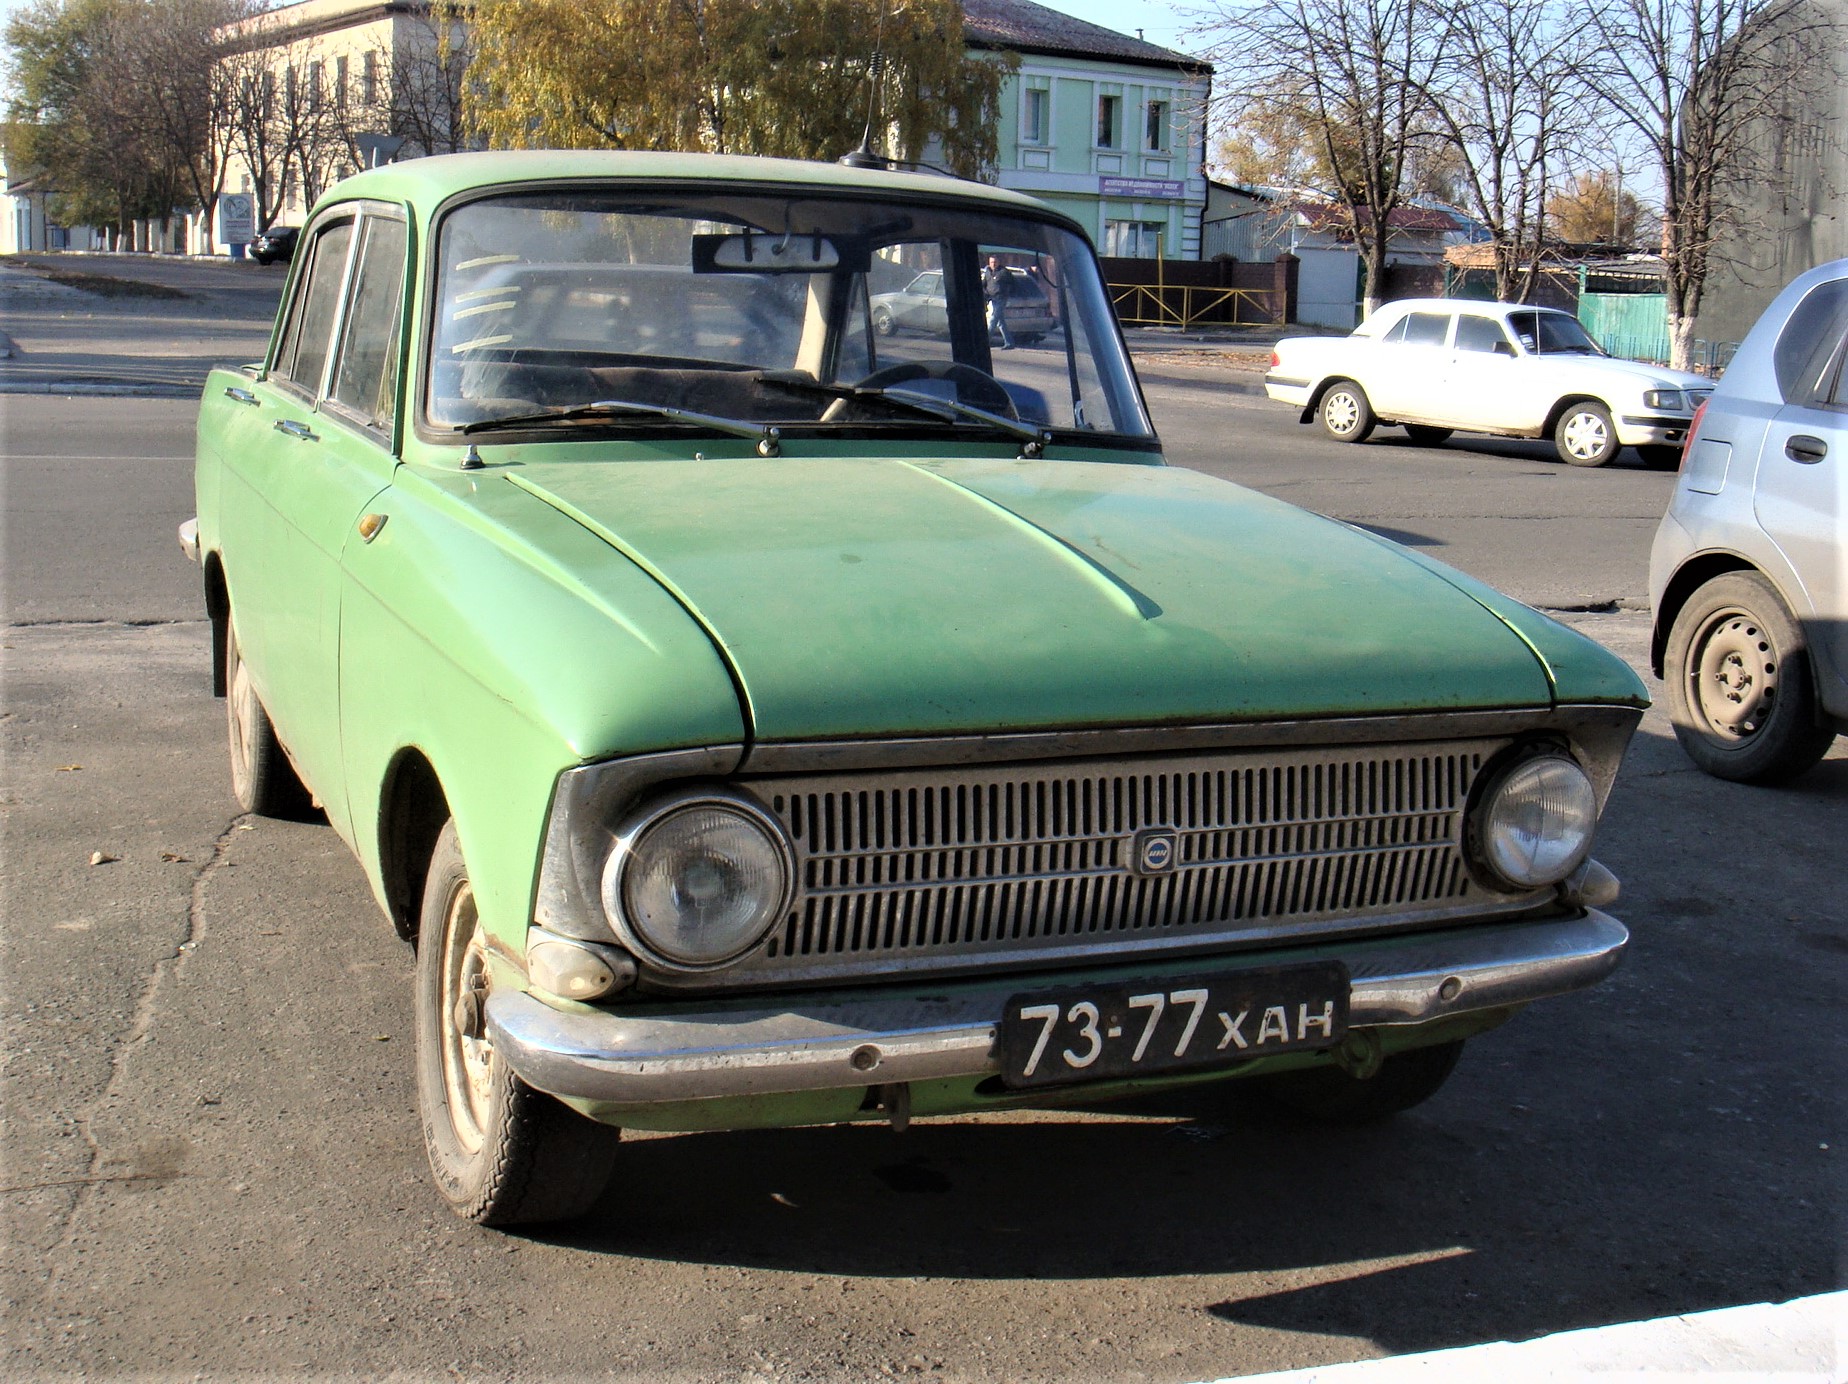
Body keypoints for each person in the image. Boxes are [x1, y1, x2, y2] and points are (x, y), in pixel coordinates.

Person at [982, 253, 1015, 349]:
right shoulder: (987, 272)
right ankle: (1009, 343)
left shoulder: (1004, 272)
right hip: (992, 299)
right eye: (992, 262)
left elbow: (1013, 283)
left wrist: (1007, 292)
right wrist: (985, 294)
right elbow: (984, 284)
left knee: (993, 320)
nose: (993, 264)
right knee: (1000, 322)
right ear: (989, 262)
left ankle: (986, 342)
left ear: (999, 262)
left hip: (1001, 298)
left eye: (995, 262)